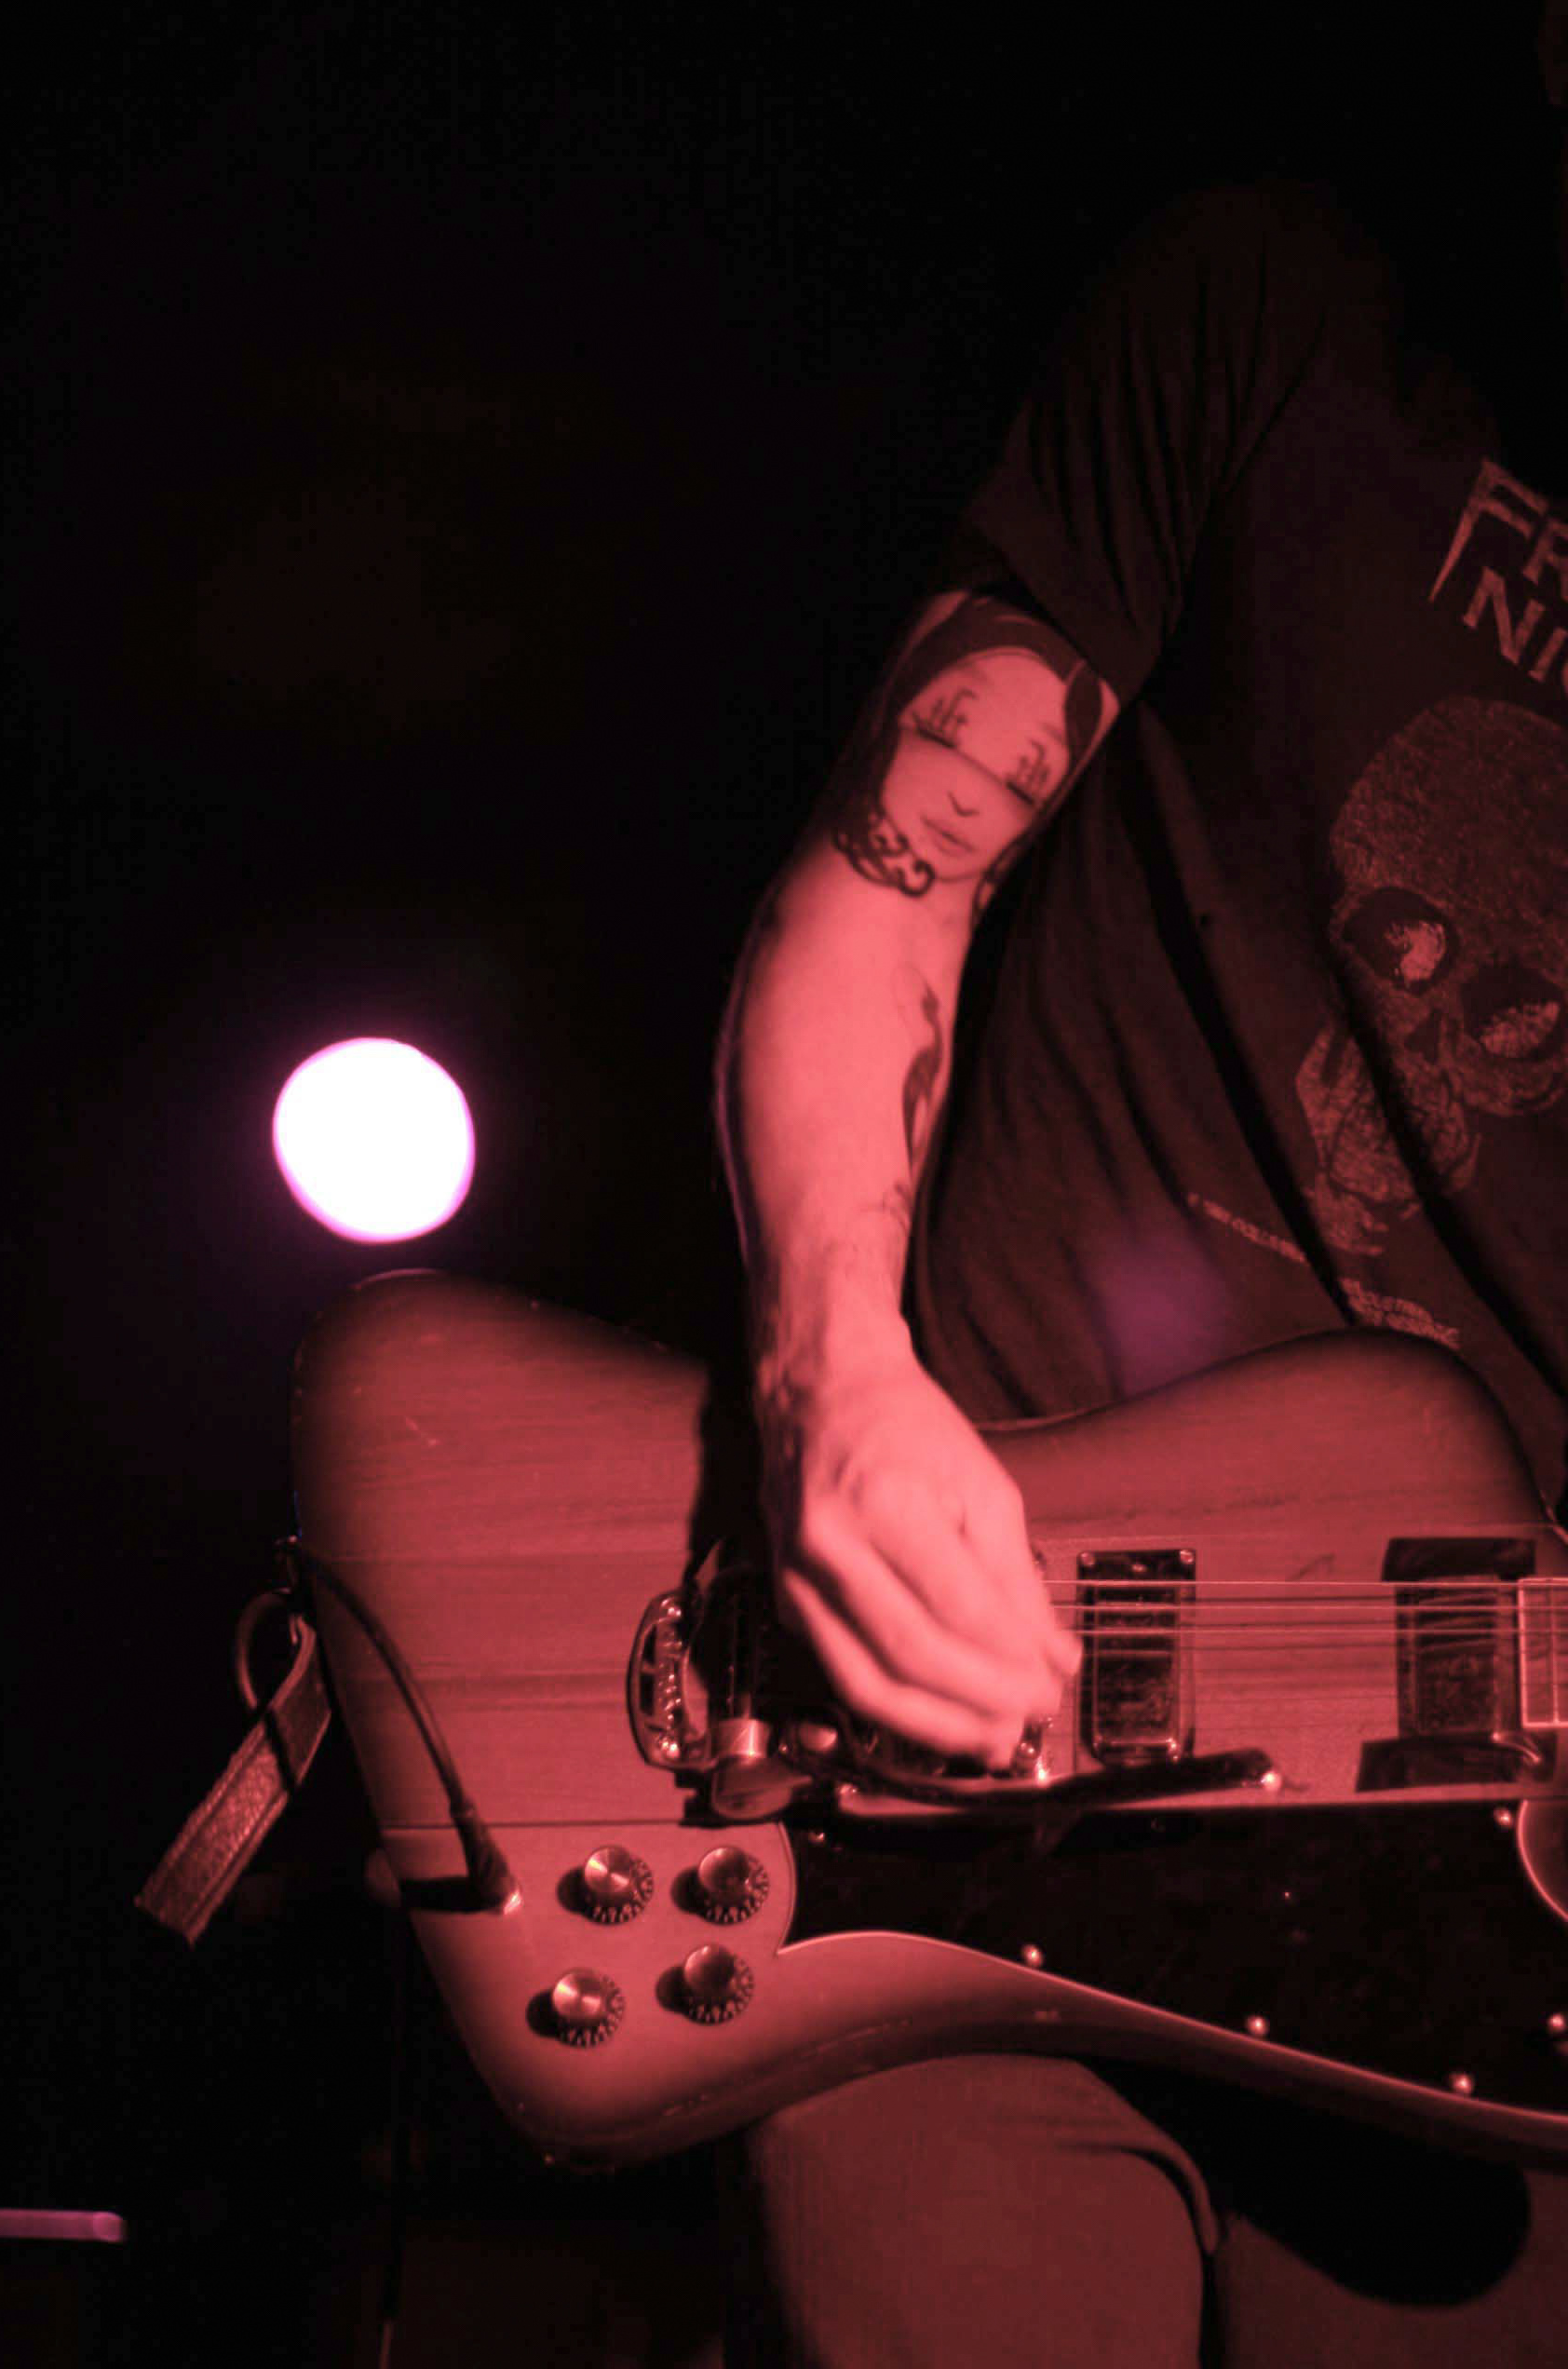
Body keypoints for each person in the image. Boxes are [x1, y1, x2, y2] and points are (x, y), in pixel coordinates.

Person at [712, 9, 1568, 2363]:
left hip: (1498, 1891)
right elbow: (886, 870)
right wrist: (826, 1382)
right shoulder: (1275, 310)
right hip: (954, 1763)